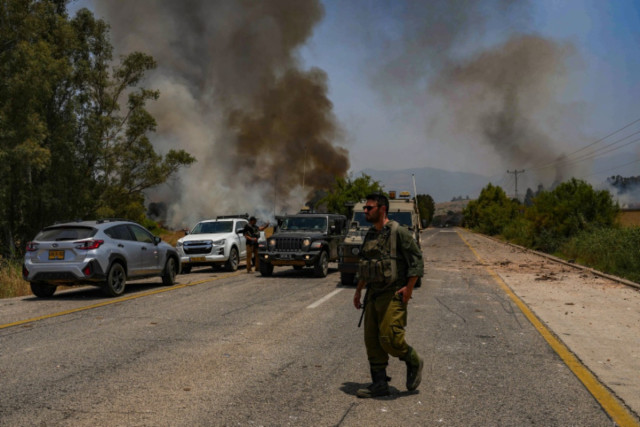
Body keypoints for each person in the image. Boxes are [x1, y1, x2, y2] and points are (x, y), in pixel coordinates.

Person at [353, 193, 424, 398]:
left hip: (393, 293)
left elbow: (416, 261)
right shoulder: (370, 235)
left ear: (382, 209)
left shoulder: (398, 232)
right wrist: (359, 290)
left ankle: (413, 360)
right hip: (373, 294)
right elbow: (365, 266)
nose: (365, 211)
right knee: (372, 341)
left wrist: (409, 288)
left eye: (369, 208)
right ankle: (380, 383)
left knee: (390, 338)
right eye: (365, 208)